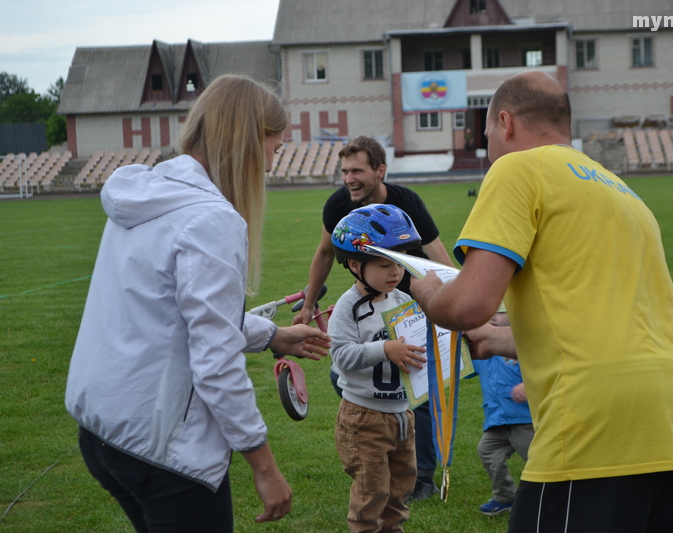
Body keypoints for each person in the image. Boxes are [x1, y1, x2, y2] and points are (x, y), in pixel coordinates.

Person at [410, 71, 673, 533]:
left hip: (597, 418)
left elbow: (469, 304)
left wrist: (427, 291)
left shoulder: (517, 167)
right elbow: (601, 316)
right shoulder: (622, 191)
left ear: (506, 123)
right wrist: (499, 340)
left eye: (487, 133)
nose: (489, 145)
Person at [64, 74, 331, 533]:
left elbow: (174, 315)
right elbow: (214, 360)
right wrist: (264, 466)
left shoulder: (149, 194)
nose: (271, 164)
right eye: (275, 146)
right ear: (249, 141)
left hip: (104, 435)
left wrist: (273, 335)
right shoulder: (210, 219)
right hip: (160, 449)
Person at [293, 135, 453, 501]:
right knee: (347, 376)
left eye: (357, 171)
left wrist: (457, 300)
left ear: (380, 171)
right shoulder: (338, 205)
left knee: (420, 386)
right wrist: (307, 303)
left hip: (409, 297)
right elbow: (323, 252)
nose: (349, 178)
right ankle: (368, 431)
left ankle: (423, 474)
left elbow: (436, 253)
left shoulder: (406, 203)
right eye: (345, 170)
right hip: (369, 299)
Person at [327, 204, 428, 532]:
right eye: (384, 264)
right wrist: (384, 349)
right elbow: (341, 355)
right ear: (355, 265)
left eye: (398, 262)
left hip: (403, 416)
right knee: (372, 494)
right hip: (365, 418)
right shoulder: (348, 308)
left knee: (399, 492)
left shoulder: (402, 300)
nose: (395, 272)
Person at [469, 307, 533, 517]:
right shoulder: (484, 349)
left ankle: (552, 495)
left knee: (536, 460)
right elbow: (465, 367)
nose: (493, 317)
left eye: (501, 311)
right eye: (488, 313)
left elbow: (543, 369)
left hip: (524, 419)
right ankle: (505, 497)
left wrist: (529, 385)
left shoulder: (523, 345)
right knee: (487, 451)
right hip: (497, 420)